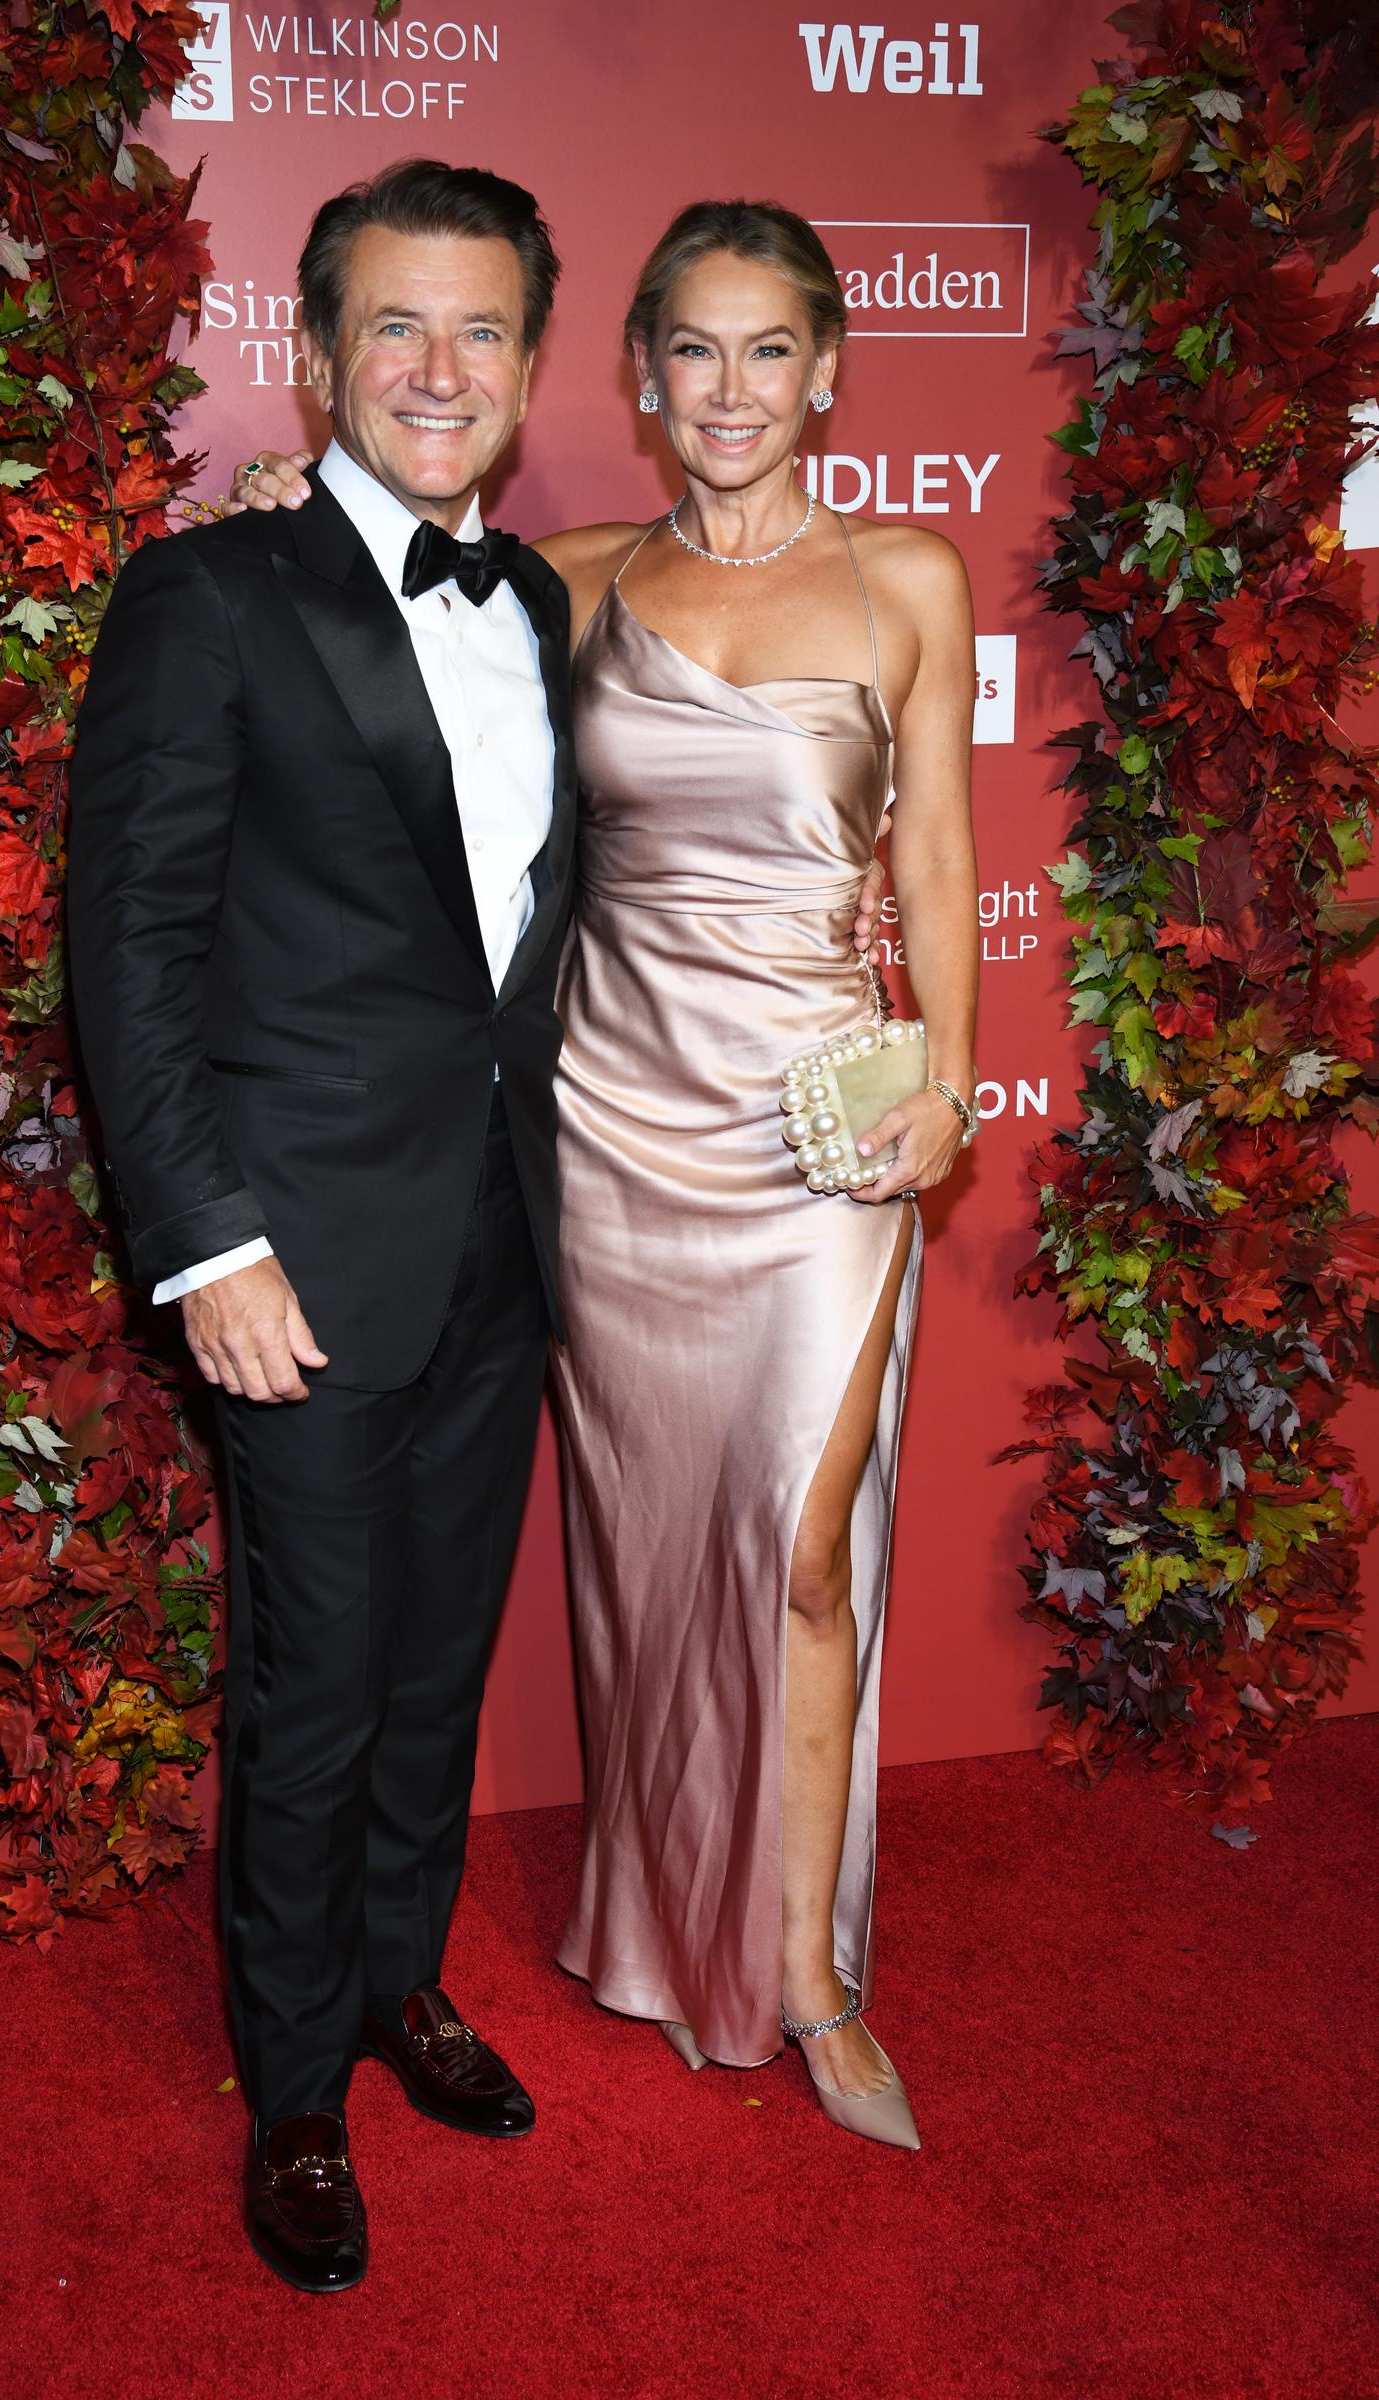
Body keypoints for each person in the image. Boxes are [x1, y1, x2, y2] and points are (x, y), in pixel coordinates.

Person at [235, 202, 977, 2150]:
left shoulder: (905, 577)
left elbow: (932, 864)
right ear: (640, 381)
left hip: (819, 1129)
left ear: (825, 371)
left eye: (766, 353)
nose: (728, 392)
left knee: (801, 1551)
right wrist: (273, 512)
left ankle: (809, 1977)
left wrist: (955, 1079)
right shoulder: (564, 583)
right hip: (609, 1137)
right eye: (691, 354)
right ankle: (659, 1923)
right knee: (651, 1561)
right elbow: (369, 607)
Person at [68, 160, 578, 2295]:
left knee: (436, 1663)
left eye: (479, 331)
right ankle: (288, 2092)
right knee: (309, 1676)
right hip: (293, 1261)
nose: (439, 369)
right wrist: (205, 1249)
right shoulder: (210, 602)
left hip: (495, 1246)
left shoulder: (535, 602)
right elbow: (130, 948)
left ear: (534, 367)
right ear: (313, 352)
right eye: (396, 325)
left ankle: (395, 1980)